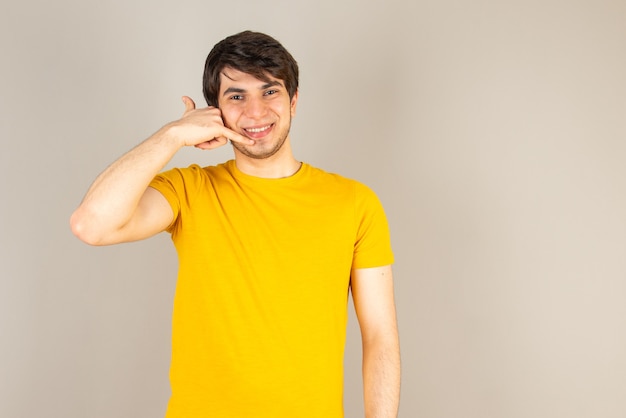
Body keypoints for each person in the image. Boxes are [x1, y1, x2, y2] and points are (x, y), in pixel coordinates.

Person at [70, 30, 400, 418]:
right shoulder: (190, 189)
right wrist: (172, 135)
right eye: (236, 96)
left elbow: (379, 337)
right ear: (216, 111)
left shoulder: (355, 203)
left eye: (270, 91)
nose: (256, 111)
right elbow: (91, 225)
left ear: (294, 101)